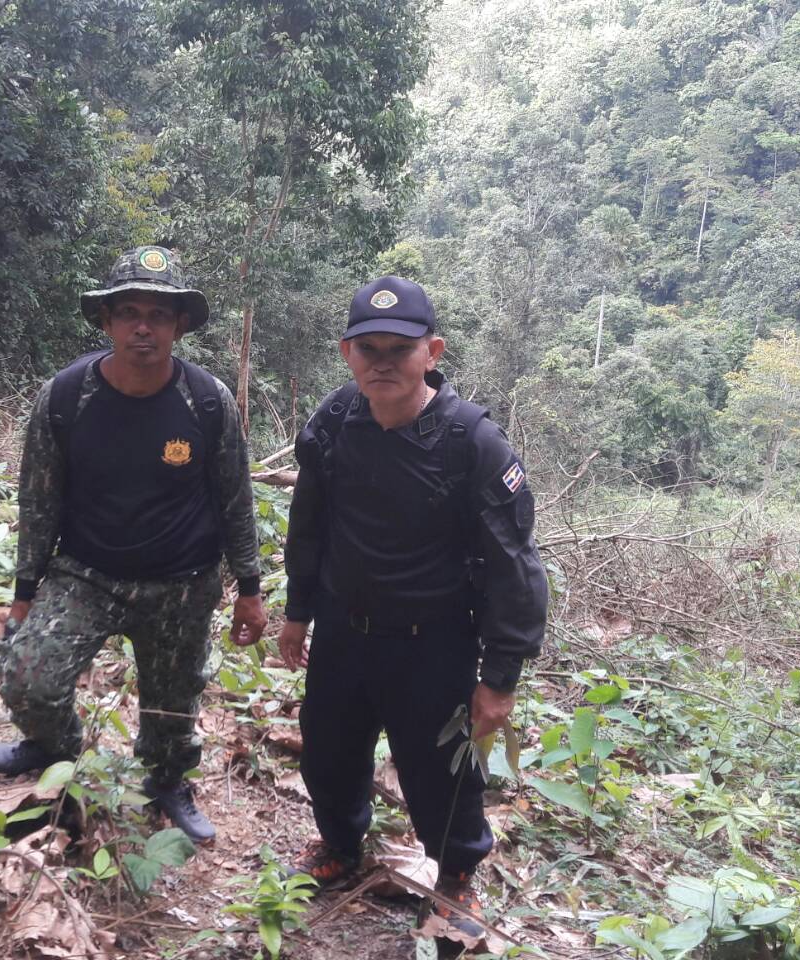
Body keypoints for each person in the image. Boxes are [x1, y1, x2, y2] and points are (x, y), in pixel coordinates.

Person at [278, 276, 547, 953]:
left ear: (433, 351)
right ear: (347, 353)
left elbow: (514, 566)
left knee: (442, 773)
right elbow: (309, 524)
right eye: (368, 349)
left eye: (400, 349)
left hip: (435, 643)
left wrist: (501, 677)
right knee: (329, 752)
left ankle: (455, 879)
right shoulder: (334, 422)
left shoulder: (471, 442)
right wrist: (298, 611)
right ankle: (340, 847)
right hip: (343, 632)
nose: (383, 363)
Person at [0, 246, 267, 845]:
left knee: (173, 707)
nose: (143, 327)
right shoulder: (66, 396)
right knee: (28, 678)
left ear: (179, 325)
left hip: (182, 583)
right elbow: (39, 500)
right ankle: (54, 750)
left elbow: (235, 499)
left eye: (158, 315)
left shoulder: (206, 400)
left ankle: (167, 781)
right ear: (107, 320)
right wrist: (25, 591)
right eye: (129, 312)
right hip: (86, 574)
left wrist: (250, 588)